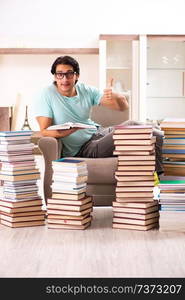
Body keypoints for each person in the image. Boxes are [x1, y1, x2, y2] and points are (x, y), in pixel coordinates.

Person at [33, 55, 164, 175]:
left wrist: (113, 95)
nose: (65, 79)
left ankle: (161, 173)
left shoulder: (85, 90)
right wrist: (66, 133)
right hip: (85, 149)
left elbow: (123, 106)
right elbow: (44, 130)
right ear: (55, 76)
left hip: (98, 133)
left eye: (69, 74)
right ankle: (160, 177)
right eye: (60, 75)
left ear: (76, 76)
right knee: (133, 125)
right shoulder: (47, 94)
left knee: (152, 131)